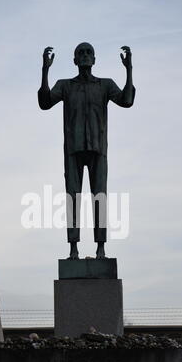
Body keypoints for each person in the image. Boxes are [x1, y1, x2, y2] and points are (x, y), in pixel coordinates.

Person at [38, 42, 135, 259]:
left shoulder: (105, 85)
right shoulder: (65, 85)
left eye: (88, 53)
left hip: (98, 150)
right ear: (74, 60)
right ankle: (73, 249)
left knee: (99, 197)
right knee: (72, 198)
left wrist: (129, 70)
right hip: (73, 149)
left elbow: (127, 101)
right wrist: (45, 71)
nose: (84, 56)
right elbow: (45, 103)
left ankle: (101, 248)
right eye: (80, 53)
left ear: (94, 59)